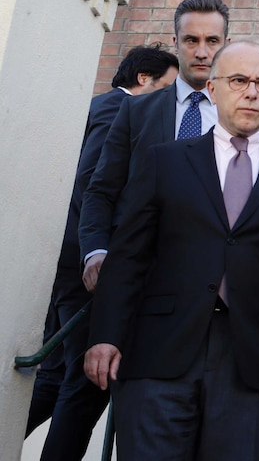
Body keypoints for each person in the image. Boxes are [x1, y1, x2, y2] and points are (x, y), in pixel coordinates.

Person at [83, 41, 259, 460]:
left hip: (254, 366)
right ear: (212, 89)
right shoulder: (165, 162)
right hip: (159, 353)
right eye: (239, 80)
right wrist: (105, 335)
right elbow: (129, 258)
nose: (252, 91)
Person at [25, 44, 178, 459]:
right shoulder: (118, 109)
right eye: (167, 87)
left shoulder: (100, 106)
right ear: (143, 80)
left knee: (57, 376)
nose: (171, 100)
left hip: (78, 263)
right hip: (93, 265)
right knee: (89, 383)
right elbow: (95, 181)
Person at [79, 0, 259, 289]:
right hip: (136, 272)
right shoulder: (136, 111)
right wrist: (95, 251)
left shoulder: (255, 118)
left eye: (212, 41)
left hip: (214, 279)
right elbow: (102, 188)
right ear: (175, 41)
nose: (202, 52)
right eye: (191, 40)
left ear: (226, 43)